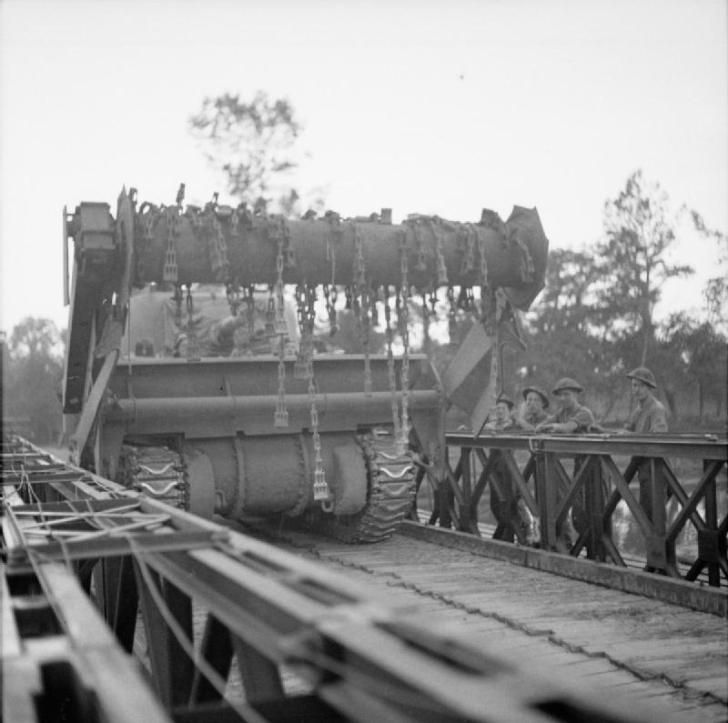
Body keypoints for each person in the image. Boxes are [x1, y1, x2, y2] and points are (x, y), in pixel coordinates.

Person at [536, 377, 596, 545]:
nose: (563, 399)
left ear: (576, 395)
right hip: (581, 465)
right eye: (560, 395)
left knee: (594, 510)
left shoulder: (584, 413)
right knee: (578, 510)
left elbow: (568, 427)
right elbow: (543, 424)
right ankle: (579, 546)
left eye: (567, 395)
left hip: (596, 467)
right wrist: (544, 426)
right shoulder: (561, 413)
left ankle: (599, 553)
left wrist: (555, 427)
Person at [623, 367, 669, 535]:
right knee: (646, 513)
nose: (636, 390)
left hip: (656, 469)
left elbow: (659, 436)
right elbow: (627, 430)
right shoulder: (638, 410)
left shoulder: (656, 408)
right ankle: (656, 557)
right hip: (643, 469)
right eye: (634, 386)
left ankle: (664, 559)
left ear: (649, 388)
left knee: (656, 516)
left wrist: (632, 435)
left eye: (641, 386)